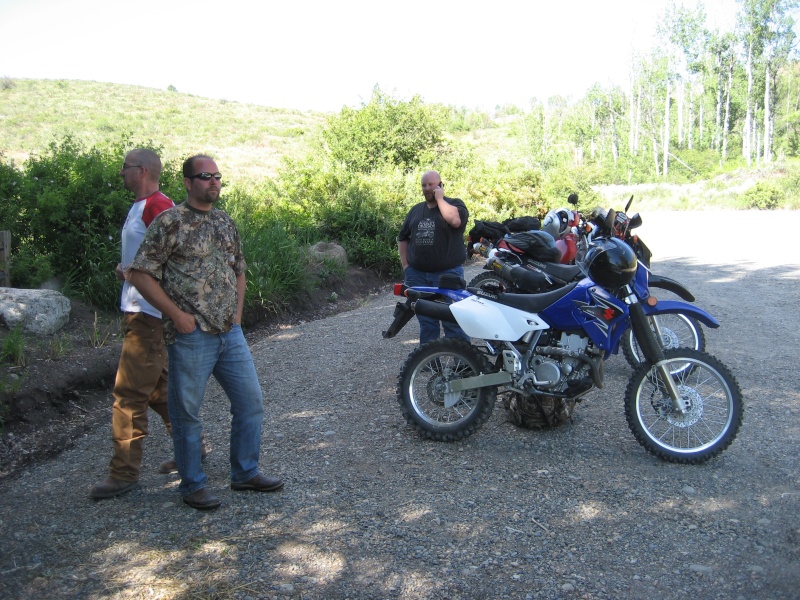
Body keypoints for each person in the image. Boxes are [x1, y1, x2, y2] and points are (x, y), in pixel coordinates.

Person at [127, 154, 283, 510]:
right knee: (187, 414)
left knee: (250, 404)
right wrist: (177, 315)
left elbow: (239, 269)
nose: (213, 182)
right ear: (187, 182)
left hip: (230, 334)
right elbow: (140, 273)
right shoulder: (170, 222)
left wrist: (239, 316)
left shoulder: (225, 222)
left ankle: (245, 473)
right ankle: (193, 485)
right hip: (191, 335)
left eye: (217, 176)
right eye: (204, 176)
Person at [90, 149, 177, 500]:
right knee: (159, 391)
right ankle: (193, 448)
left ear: (141, 171)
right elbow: (146, 257)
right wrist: (127, 269)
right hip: (137, 310)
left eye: (124, 168)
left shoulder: (159, 205)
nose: (121, 173)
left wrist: (147, 280)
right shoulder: (140, 206)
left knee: (128, 396)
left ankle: (123, 473)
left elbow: (178, 253)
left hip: (148, 314)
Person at [397, 170, 471, 344]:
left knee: (453, 319)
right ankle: (430, 362)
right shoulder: (416, 210)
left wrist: (439, 199)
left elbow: (455, 221)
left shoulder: (455, 205)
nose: (427, 188)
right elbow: (403, 238)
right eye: (424, 185)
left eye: (431, 184)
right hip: (418, 275)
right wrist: (406, 266)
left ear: (440, 185)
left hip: (448, 274)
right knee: (427, 321)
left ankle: (463, 363)